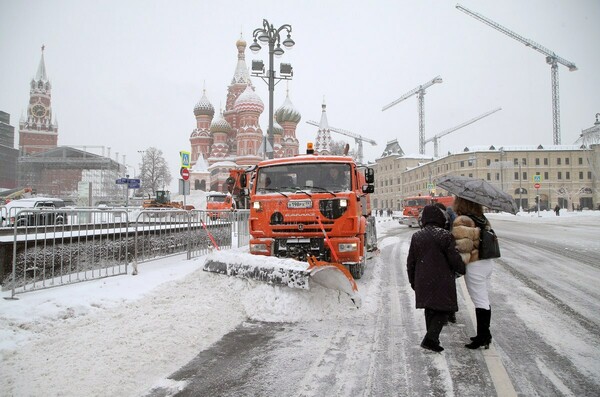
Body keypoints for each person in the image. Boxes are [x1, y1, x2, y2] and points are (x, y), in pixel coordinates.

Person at [407, 205, 466, 353]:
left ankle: (433, 340)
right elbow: (453, 257)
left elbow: (411, 261)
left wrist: (413, 281)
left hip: (423, 279)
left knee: (430, 309)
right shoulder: (445, 235)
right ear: (440, 218)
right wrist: (461, 268)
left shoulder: (417, 236)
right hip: (442, 279)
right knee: (443, 309)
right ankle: (430, 339)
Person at [451, 196, 494, 350]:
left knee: (480, 301)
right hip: (486, 262)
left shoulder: (463, 221)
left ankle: (483, 337)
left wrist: (456, 267)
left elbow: (464, 247)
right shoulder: (482, 218)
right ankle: (484, 335)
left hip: (475, 264)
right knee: (483, 299)